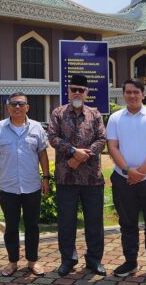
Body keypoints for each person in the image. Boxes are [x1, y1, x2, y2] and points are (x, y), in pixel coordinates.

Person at [106, 78, 146, 281]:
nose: (132, 96)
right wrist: (127, 171)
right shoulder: (115, 118)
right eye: (128, 92)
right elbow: (112, 146)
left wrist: (139, 172)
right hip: (123, 179)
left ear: (143, 94)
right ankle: (130, 262)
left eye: (136, 92)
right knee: (128, 224)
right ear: (123, 94)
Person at [48, 74, 107, 277]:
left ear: (87, 93)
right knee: (66, 222)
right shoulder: (58, 113)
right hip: (66, 178)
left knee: (94, 221)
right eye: (74, 89)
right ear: (68, 91)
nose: (77, 93)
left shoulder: (95, 114)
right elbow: (53, 137)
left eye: (81, 90)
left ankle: (94, 260)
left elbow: (102, 139)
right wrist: (73, 151)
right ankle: (68, 259)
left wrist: (82, 157)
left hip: (92, 179)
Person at [0, 92, 50, 277]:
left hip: (32, 187)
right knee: (11, 226)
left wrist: (46, 178)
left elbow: (43, 155)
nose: (17, 107)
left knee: (32, 226)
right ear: (7, 107)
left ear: (27, 107)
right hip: (9, 188)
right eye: (13, 104)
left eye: (21, 104)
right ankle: (12, 262)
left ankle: (33, 261)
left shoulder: (37, 128)